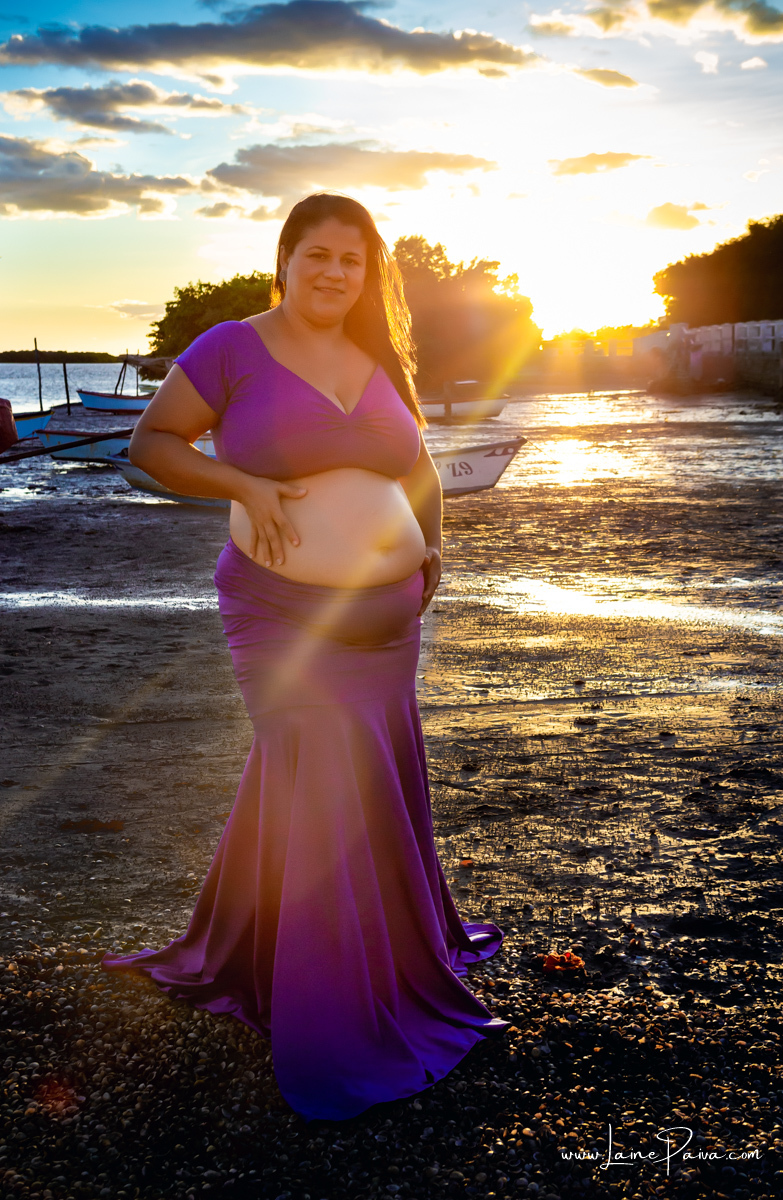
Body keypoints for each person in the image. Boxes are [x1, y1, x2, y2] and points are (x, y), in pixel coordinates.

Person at [102, 192, 508, 1122]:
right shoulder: (230, 349)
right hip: (281, 611)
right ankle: (333, 1016)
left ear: (369, 274)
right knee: (321, 774)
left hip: (387, 621)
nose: (334, 273)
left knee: (366, 775)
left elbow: (419, 468)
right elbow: (152, 443)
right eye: (317, 254)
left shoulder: (377, 357)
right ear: (284, 258)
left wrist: (431, 547)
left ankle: (297, 943)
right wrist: (241, 480)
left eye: (353, 260)